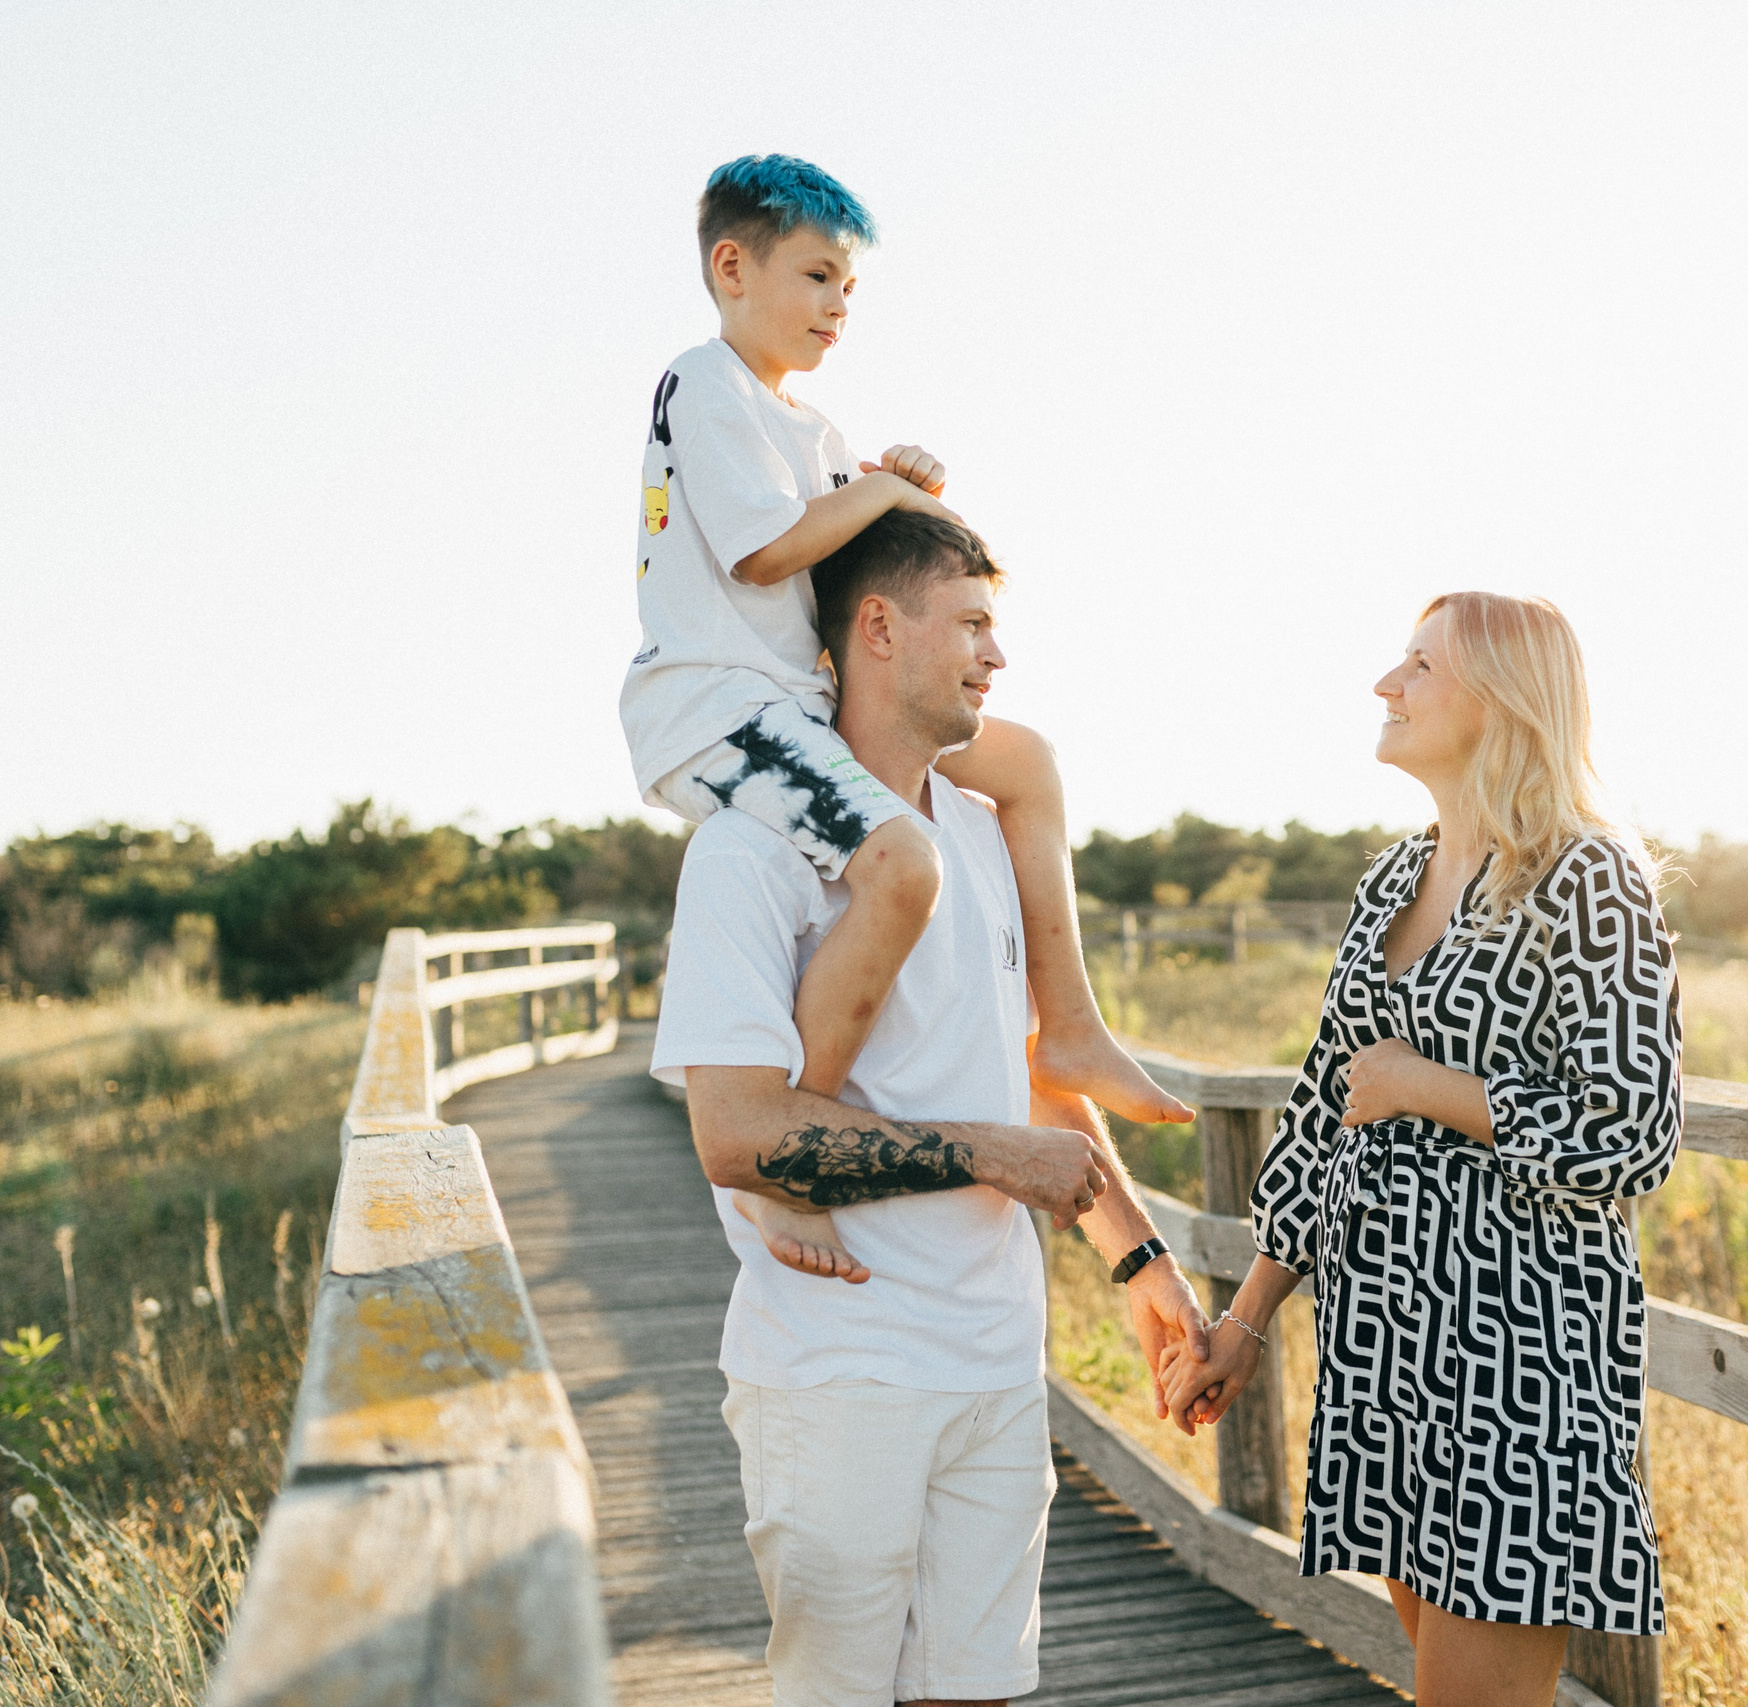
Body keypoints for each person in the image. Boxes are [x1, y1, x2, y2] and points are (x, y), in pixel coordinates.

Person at [657, 509, 1209, 1707]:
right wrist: (997, 1160)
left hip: (999, 1363)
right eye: (969, 624)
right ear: (875, 628)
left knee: (979, 1694)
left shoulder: (983, 833)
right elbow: (737, 1134)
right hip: (839, 1370)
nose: (994, 657)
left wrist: (1142, 1262)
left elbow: (1020, 1073)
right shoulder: (750, 856)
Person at [620, 153, 1190, 1281]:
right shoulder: (706, 384)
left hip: (799, 705)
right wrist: (879, 491)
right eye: (818, 276)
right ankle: (799, 1145)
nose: (838, 305)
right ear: (731, 268)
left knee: (1026, 762)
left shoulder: (812, 428)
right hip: (721, 710)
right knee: (904, 865)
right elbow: (765, 549)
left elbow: (847, 542)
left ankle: (1070, 1022)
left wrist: (891, 474)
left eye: (850, 288)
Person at [1159, 591, 1682, 1707]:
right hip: (1383, 1358)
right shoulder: (1392, 877)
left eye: (1417, 666)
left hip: (1517, 1373)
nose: (1385, 685)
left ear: (1499, 701)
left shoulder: (1588, 880)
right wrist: (1243, 1323)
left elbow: (1633, 1131)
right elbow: (1316, 1116)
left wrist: (1428, 1089)